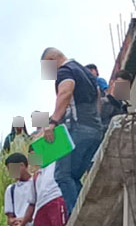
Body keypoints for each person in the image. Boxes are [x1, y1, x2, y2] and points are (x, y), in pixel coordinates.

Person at [40, 47, 103, 213]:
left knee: (61, 175)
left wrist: (53, 122)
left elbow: (65, 92)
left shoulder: (65, 71)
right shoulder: (86, 73)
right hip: (95, 131)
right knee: (73, 176)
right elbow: (98, 99)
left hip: (77, 129)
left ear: (51, 61)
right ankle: (90, 211)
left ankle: (76, 216)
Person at [3, 152, 38, 226]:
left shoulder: (36, 182)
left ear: (22, 165)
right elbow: (10, 217)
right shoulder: (11, 189)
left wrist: (26, 219)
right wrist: (15, 221)